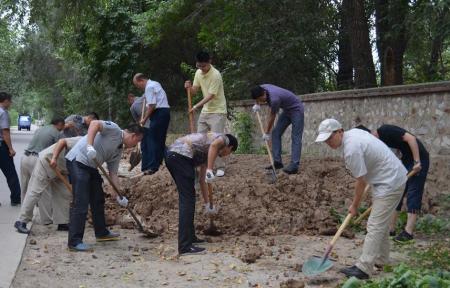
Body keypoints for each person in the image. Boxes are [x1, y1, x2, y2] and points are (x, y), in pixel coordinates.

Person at [315, 119, 408, 279]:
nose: (328, 143)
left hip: (389, 181)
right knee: (381, 224)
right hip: (387, 178)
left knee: (374, 224)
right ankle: (382, 259)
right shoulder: (354, 134)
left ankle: (364, 268)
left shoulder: (351, 149)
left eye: (330, 138)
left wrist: (354, 205)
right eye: (325, 140)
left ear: (340, 131)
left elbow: (361, 180)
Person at [65, 120, 145, 252]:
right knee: (81, 201)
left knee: (98, 198)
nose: (136, 144)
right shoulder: (114, 129)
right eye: (138, 141)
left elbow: (113, 175)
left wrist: (119, 196)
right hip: (77, 160)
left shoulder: (118, 150)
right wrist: (89, 146)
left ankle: (101, 232)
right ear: (134, 136)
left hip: (90, 167)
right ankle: (74, 242)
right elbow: (94, 124)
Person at [165, 132, 238, 255]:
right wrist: (210, 169)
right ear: (229, 147)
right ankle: (184, 247)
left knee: (189, 198)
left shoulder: (206, 152)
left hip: (175, 156)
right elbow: (215, 145)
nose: (226, 156)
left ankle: (191, 237)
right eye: (229, 153)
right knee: (187, 200)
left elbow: (203, 180)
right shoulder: (223, 139)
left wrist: (208, 204)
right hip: (180, 156)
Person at [355, 124, 430, 244]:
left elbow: (411, 139)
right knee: (397, 190)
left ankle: (408, 232)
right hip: (406, 159)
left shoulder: (386, 130)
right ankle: (391, 228)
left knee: (413, 192)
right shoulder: (379, 142)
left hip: (419, 158)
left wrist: (417, 161)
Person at [14, 137, 82, 234]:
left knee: (64, 194)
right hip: (48, 161)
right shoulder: (82, 140)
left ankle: (63, 222)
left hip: (63, 168)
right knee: (35, 192)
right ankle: (21, 221)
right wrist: (54, 158)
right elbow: (62, 141)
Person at [184, 51, 227, 177]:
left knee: (216, 139)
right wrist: (189, 88)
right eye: (199, 66)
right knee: (201, 139)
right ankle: (202, 165)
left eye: (204, 66)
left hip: (218, 111)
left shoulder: (216, 75)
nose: (201, 69)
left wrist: (196, 106)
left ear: (209, 62)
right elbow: (194, 91)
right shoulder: (198, 73)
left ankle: (220, 167)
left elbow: (211, 95)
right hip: (205, 111)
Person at [251, 84, 304, 174]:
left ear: (264, 93)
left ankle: (294, 165)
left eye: (261, 99)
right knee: (276, 133)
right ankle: (277, 162)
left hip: (296, 110)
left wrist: (267, 132)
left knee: (296, 137)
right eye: (258, 100)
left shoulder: (274, 99)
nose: (261, 101)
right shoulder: (262, 87)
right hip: (287, 111)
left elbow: (272, 116)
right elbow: (257, 96)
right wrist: (257, 104)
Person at [20, 117, 65, 202]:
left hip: (25, 158)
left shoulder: (41, 129)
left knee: (25, 187)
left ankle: (24, 212)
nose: (62, 129)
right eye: (63, 127)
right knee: (39, 189)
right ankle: (38, 213)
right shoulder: (56, 133)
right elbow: (58, 152)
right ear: (59, 124)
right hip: (36, 160)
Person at [133, 73, 170, 174]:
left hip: (158, 113)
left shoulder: (149, 87)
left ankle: (152, 167)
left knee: (152, 139)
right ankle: (162, 163)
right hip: (166, 112)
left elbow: (152, 105)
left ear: (141, 80)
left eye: (138, 85)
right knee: (160, 139)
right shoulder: (155, 83)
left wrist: (144, 119)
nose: (139, 88)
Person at [0, 91, 21, 206]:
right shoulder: (3, 113)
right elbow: (5, 132)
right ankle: (15, 199)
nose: (10, 103)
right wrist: (11, 149)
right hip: (1, 147)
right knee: (11, 173)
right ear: (6, 101)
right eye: (10, 101)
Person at [127, 92, 151, 170]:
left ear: (130, 99)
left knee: (144, 146)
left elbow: (137, 121)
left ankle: (145, 167)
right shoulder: (143, 98)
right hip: (154, 123)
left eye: (129, 102)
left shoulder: (132, 107)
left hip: (144, 127)